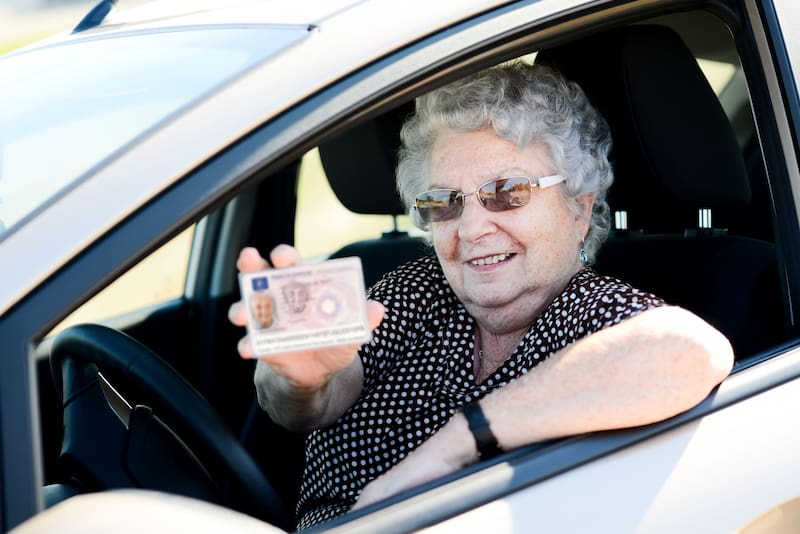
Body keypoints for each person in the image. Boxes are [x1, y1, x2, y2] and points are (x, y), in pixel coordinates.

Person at [228, 61, 734, 529]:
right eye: (444, 202)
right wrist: (299, 379)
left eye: (507, 193)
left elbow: (692, 350)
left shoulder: (594, 313)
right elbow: (312, 403)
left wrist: (454, 446)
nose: (470, 228)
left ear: (579, 209)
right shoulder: (415, 290)